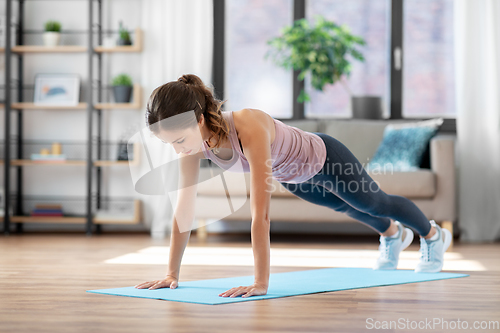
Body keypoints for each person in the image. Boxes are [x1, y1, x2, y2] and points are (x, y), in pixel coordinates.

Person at [134, 74, 452, 298]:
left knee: (373, 202)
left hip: (326, 158)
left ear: (199, 119)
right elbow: (183, 210)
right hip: (295, 176)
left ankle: (434, 236)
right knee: (345, 206)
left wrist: (260, 281)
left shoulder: (247, 126)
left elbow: (261, 215)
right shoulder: (192, 145)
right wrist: (172, 274)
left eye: (178, 140)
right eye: (169, 144)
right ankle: (393, 234)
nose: (178, 150)